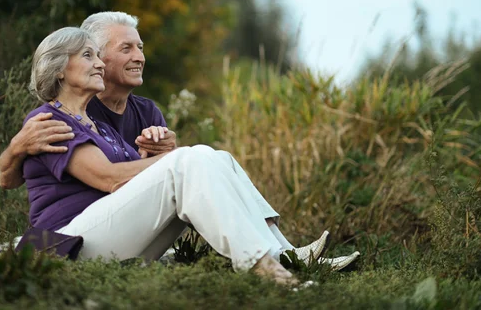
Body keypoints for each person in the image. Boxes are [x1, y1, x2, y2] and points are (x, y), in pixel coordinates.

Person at [22, 26, 356, 285]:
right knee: (192, 159)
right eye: (88, 56)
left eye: (98, 55)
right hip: (67, 247)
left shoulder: (97, 125)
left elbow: (131, 179)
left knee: (216, 157)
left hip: (107, 235)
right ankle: (262, 266)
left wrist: (159, 158)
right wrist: (174, 160)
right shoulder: (49, 122)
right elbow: (109, 179)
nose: (99, 63)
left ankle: (285, 256)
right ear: (60, 69)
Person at [0, 12, 175, 190]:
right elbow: (8, 180)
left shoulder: (144, 112)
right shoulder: (65, 115)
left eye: (140, 48)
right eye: (126, 48)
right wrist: (17, 148)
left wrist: (168, 148)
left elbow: (163, 178)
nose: (140, 57)